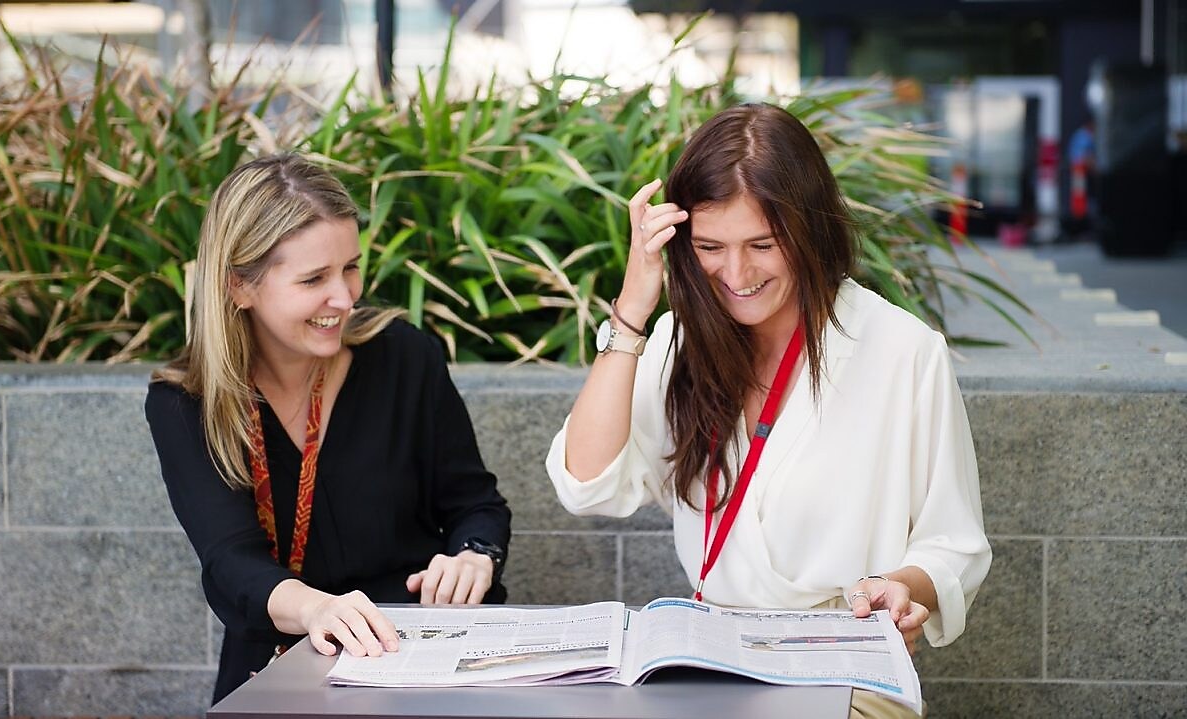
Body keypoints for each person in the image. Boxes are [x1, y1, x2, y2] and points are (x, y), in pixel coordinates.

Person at [545, 104, 991, 718]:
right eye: (709, 246)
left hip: (846, 666)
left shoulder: (903, 350)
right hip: (711, 662)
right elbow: (586, 484)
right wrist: (633, 304)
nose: (737, 273)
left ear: (809, 230)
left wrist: (904, 590)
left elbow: (953, 542)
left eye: (762, 243)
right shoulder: (680, 341)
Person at [146, 154, 511, 704]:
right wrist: (318, 608)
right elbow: (230, 563)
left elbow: (476, 504)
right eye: (314, 278)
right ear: (239, 286)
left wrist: (473, 556)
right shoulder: (185, 402)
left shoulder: (405, 357)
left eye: (351, 268)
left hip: (423, 651)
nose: (344, 298)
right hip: (279, 665)